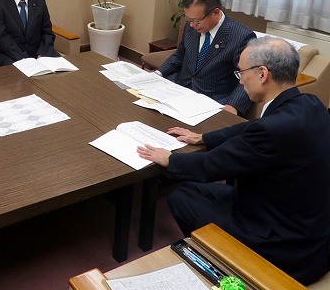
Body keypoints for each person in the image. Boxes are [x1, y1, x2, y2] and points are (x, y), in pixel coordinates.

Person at [137, 37, 330, 285]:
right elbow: (252, 127)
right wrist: (203, 137)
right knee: (192, 191)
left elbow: (210, 166)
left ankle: (225, 263)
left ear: (262, 74)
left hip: (284, 246)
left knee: (181, 198)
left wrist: (169, 158)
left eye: (241, 73)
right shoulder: (310, 103)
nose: (240, 80)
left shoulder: (271, 131)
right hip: (306, 228)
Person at [157, 0, 256, 115]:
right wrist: (158, 73)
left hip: (213, 101)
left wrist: (232, 106)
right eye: (189, 20)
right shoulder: (191, 26)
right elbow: (181, 54)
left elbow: (249, 77)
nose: (192, 25)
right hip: (181, 90)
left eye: (197, 21)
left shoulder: (241, 36)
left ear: (215, 13)